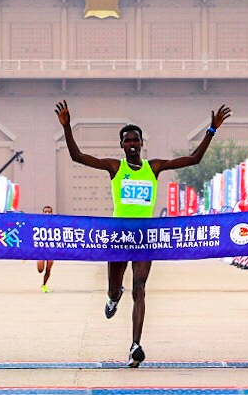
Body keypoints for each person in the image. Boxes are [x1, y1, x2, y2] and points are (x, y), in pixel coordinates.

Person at [55, 100, 232, 367]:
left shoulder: (154, 168)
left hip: (144, 236)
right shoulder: (116, 168)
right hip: (117, 236)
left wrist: (211, 130)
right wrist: (67, 128)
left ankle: (136, 345)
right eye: (127, 141)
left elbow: (194, 159)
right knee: (115, 289)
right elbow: (77, 157)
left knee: (141, 288)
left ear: (141, 143)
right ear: (122, 146)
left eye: (135, 140)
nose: (131, 144)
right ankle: (114, 296)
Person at [35, 203, 57, 292]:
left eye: (49, 212)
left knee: (48, 268)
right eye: (45, 212)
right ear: (43, 213)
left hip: (51, 249)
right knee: (40, 269)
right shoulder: (38, 222)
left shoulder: (55, 222)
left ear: (52, 213)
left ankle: (44, 284)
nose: (47, 213)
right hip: (41, 248)